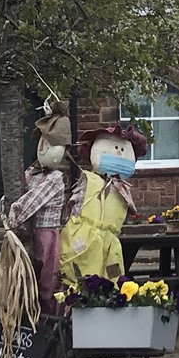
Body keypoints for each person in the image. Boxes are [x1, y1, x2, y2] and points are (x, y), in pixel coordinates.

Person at [3, 105, 73, 316]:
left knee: (48, 282)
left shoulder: (55, 179)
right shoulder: (31, 172)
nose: (43, 148)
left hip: (46, 235)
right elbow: (13, 196)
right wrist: (7, 205)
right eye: (42, 142)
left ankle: (51, 320)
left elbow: (29, 203)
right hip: (30, 233)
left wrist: (11, 217)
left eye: (50, 144)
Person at [59, 123, 146, 288]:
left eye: (123, 150)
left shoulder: (123, 189)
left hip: (110, 244)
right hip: (85, 239)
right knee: (80, 278)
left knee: (112, 279)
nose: (118, 153)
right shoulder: (90, 180)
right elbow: (74, 205)